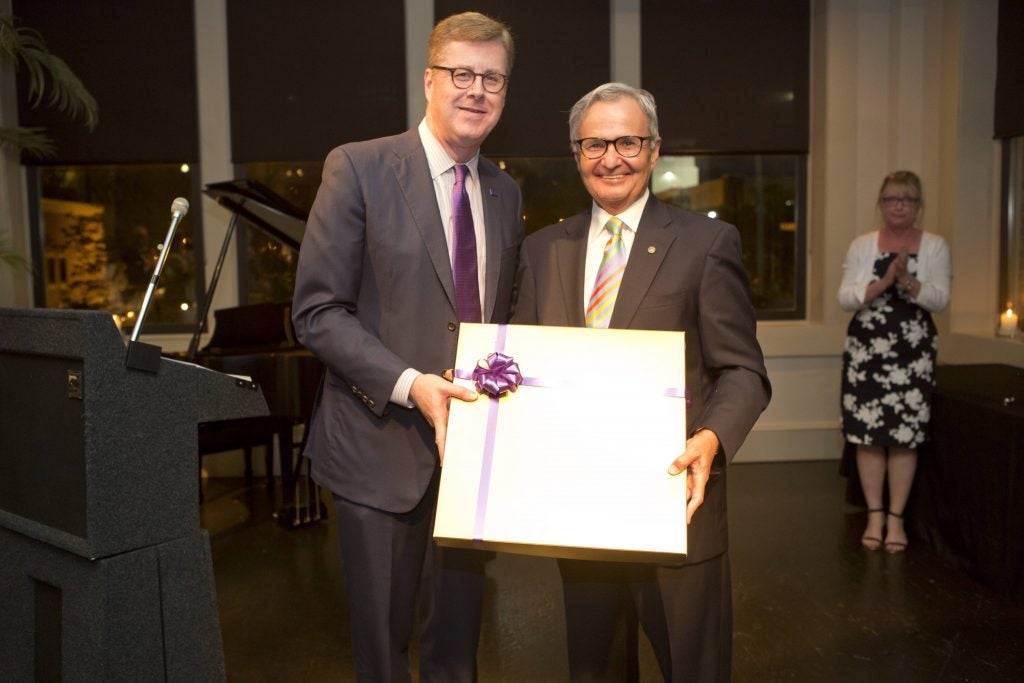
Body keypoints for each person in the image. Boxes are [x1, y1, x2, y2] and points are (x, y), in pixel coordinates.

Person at [511, 82, 771, 683]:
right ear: (576, 153)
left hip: (676, 502)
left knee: (692, 666)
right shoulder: (542, 249)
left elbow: (743, 370)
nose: (611, 158)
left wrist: (712, 437)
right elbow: (523, 369)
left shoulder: (707, 244)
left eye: (627, 141)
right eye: (595, 143)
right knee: (595, 668)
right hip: (581, 513)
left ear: (654, 150)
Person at [291, 12, 522, 682]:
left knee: (458, 653)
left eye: (493, 78)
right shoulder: (359, 167)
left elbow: (503, 319)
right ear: (429, 79)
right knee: (383, 655)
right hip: (377, 446)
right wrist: (412, 382)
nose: (476, 90)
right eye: (462, 73)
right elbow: (317, 312)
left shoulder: (506, 193)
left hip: (468, 459)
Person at [838, 170, 951, 554]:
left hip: (912, 352)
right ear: (881, 204)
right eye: (891, 199)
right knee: (868, 437)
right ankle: (874, 516)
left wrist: (910, 282)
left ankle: (896, 520)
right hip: (867, 351)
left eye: (907, 199)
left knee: (905, 438)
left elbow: (939, 299)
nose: (898, 205)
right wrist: (885, 281)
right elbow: (846, 297)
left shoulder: (935, 246)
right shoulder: (862, 245)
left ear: (919, 206)